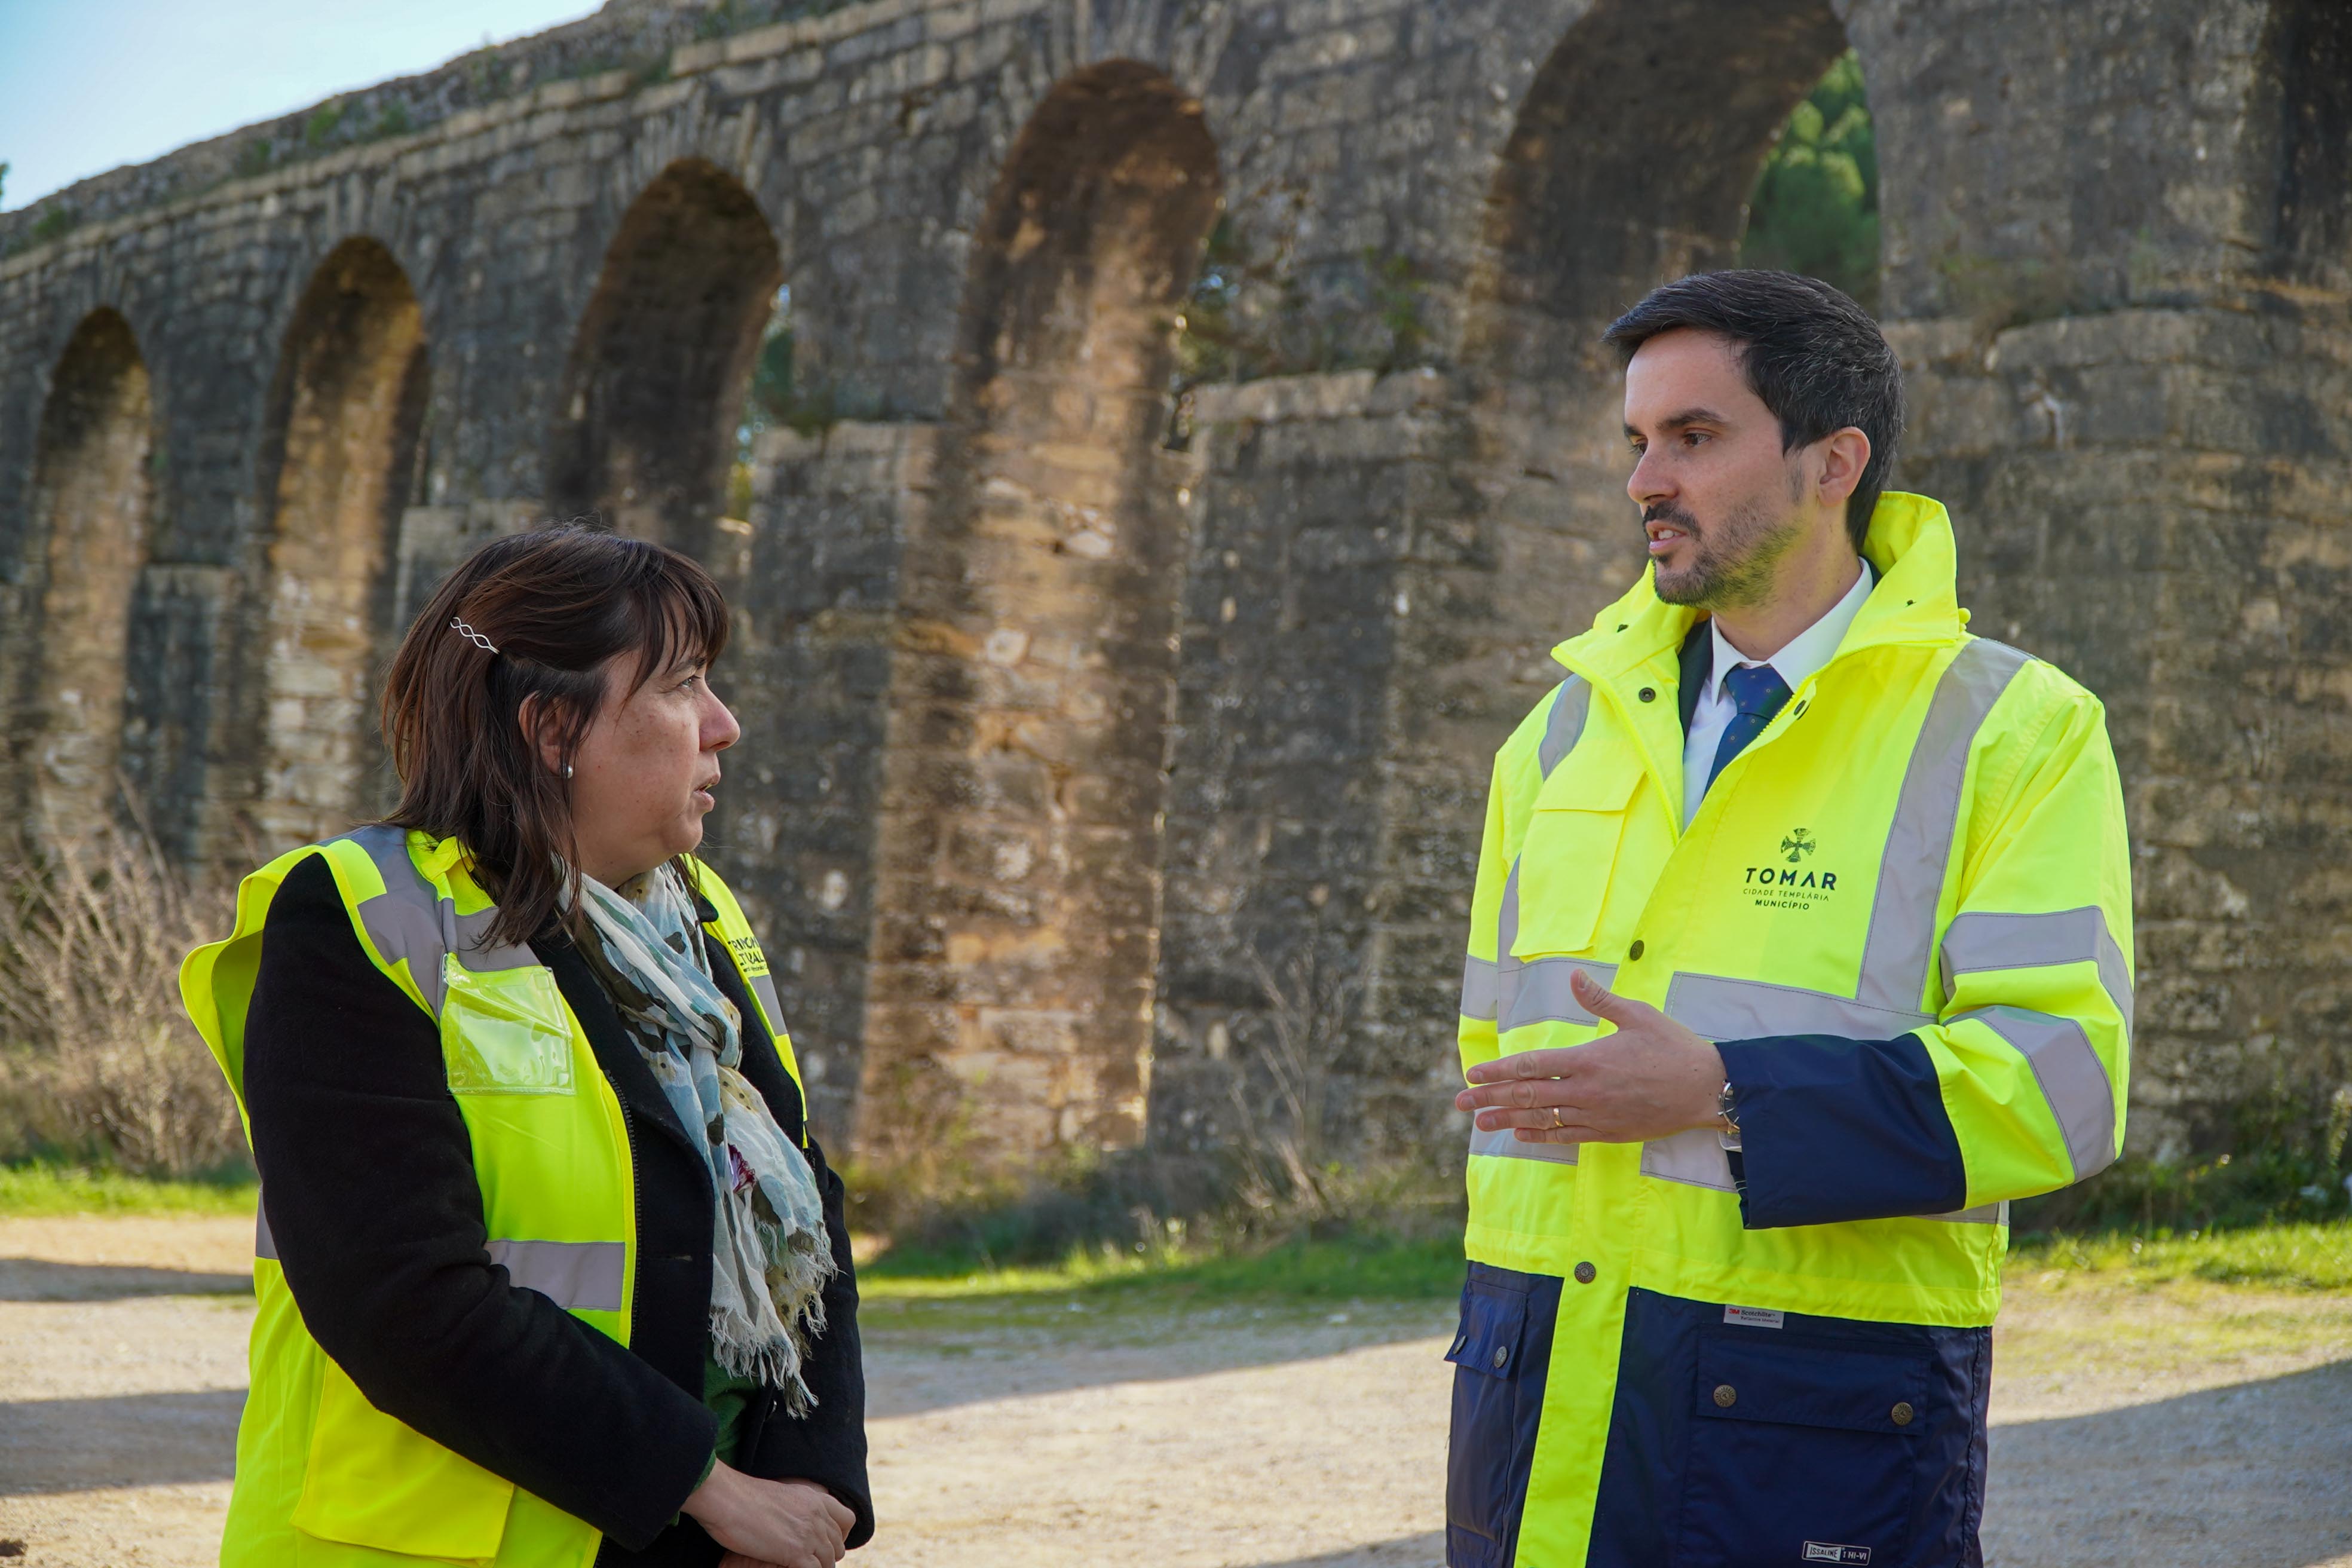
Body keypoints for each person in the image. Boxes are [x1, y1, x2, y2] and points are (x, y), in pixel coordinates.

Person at [1446, 271, 2131, 1567]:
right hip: (1531, 1408)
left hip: (1812, 1425)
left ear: (1833, 461)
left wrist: (1725, 1093)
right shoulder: (1557, 737)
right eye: (1637, 443)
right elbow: (1495, 1066)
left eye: (1694, 438)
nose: (1648, 479)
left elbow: (2066, 1085)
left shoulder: (2015, 732)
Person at [182, 527, 871, 1568]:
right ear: (554, 727)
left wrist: (808, 1481)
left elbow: (801, 1207)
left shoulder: (701, 922)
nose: (725, 726)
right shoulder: (359, 919)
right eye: (683, 686)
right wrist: (706, 1487)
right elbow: (404, 1300)